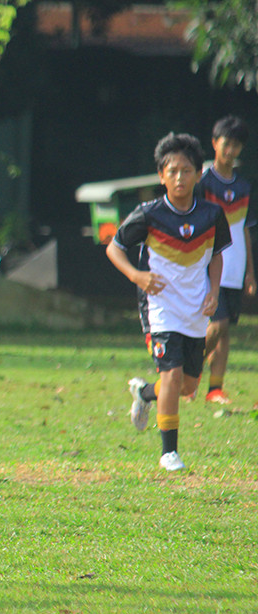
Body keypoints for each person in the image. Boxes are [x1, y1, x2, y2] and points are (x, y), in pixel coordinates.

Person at [107, 132, 231, 472]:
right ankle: (169, 453)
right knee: (173, 375)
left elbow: (218, 254)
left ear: (198, 173)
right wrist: (137, 276)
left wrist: (214, 290)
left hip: (195, 308)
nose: (179, 177)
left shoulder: (211, 214)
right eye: (172, 171)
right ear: (162, 175)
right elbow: (114, 248)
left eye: (186, 170)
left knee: (188, 384)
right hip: (159, 306)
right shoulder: (148, 214)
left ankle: (146, 393)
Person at [198, 115, 257, 404]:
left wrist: (250, 273)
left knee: (225, 330)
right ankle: (188, 370)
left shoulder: (244, 186)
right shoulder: (203, 182)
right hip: (210, 264)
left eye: (236, 145)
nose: (231, 150)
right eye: (226, 144)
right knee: (217, 325)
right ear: (214, 143)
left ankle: (214, 389)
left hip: (235, 267)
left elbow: (244, 227)